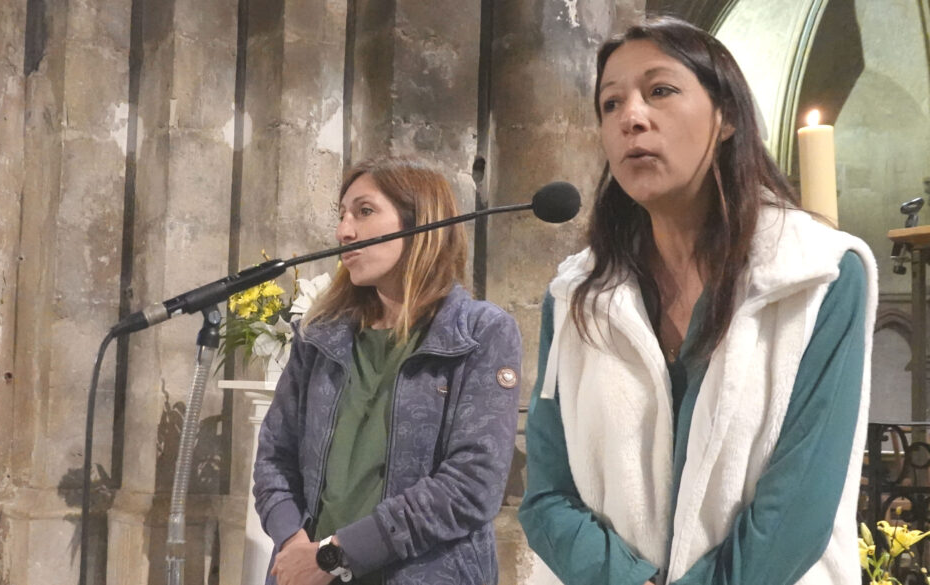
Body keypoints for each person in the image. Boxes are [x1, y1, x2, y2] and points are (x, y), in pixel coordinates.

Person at [518, 15, 876, 585]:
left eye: (660, 90)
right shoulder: (575, 295)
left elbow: (798, 508)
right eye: (611, 103)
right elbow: (546, 497)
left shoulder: (819, 276)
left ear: (726, 115)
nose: (632, 117)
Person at [253, 156, 523, 585]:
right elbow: (274, 457)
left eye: (364, 211)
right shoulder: (319, 335)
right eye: (341, 215)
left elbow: (471, 486)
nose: (344, 232)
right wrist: (293, 544)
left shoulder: (481, 332)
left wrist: (334, 556)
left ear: (421, 222)